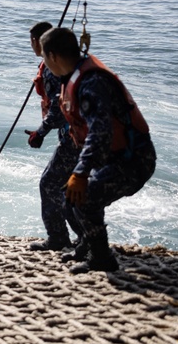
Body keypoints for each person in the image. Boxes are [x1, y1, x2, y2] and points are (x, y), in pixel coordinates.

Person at [39, 26, 157, 273]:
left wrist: (80, 173)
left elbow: (100, 133)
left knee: (85, 198)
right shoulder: (73, 77)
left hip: (133, 160)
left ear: (52, 56)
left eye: (43, 56)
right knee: (68, 197)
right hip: (112, 158)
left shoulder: (91, 83)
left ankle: (102, 259)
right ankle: (86, 246)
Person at [24, 21, 82, 252]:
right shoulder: (63, 65)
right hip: (79, 135)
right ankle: (85, 237)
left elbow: (59, 110)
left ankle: (59, 238)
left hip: (73, 137)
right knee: (68, 188)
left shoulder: (50, 69)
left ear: (37, 42)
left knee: (50, 184)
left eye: (31, 41)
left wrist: (40, 132)